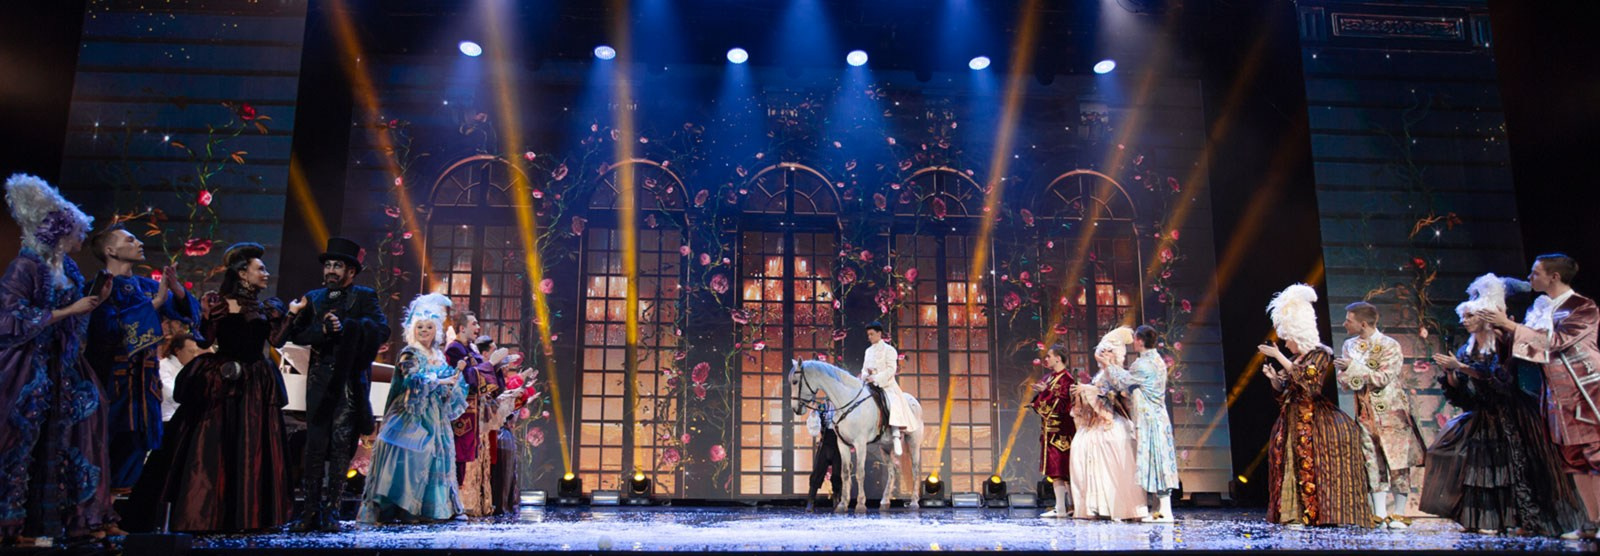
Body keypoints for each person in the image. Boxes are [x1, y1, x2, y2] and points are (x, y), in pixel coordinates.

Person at [129, 243, 293, 532]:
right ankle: (207, 513)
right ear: (242, 273)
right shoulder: (219, 304)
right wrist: (205, 315)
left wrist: (291, 314)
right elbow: (204, 340)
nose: (266, 273)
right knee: (216, 443)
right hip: (225, 379)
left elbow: (277, 340)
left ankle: (248, 516)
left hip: (256, 381)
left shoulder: (267, 307)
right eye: (260, 269)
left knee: (252, 445)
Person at [0, 174, 119, 544]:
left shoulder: (68, 269)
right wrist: (68, 311)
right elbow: (8, 319)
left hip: (62, 365)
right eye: (78, 232)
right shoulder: (25, 267)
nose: (82, 239)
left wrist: (92, 303)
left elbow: (75, 324)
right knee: (18, 441)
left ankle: (62, 523)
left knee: (78, 429)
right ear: (61, 232)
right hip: (27, 365)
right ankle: (9, 528)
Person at [1422, 273, 1586, 537]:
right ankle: (1496, 519)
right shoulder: (1467, 349)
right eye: (1463, 317)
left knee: (1526, 468)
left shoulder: (1503, 342)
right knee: (1487, 469)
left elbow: (1501, 379)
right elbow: (1465, 393)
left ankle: (1542, 522)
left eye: (1470, 316)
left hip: (1514, 413)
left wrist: (1462, 367)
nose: (1464, 321)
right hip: (1485, 416)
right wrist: (1452, 374)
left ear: (1484, 317)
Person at [1482, 253, 1600, 525]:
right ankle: (1592, 521)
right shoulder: (1541, 307)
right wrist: (1505, 334)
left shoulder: (1582, 307)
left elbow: (1557, 341)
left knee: (1595, 454)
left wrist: (1511, 325)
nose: (1529, 278)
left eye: (1535, 273)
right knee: (1573, 459)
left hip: (1584, 389)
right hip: (1556, 393)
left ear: (1554, 276)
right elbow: (1530, 349)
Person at [284, 237, 390, 532]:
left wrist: (347, 330)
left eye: (337, 266)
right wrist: (323, 330)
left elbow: (381, 330)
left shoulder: (364, 296)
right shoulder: (314, 297)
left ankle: (331, 511)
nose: (331, 270)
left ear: (351, 271)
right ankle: (309, 511)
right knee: (315, 445)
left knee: (342, 445)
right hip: (319, 379)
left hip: (349, 381)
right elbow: (297, 334)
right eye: (328, 265)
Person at [83, 224, 198, 493]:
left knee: (136, 446)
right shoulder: (97, 288)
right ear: (110, 250)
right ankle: (96, 508)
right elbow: (107, 331)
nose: (139, 243)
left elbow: (186, 314)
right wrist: (154, 305)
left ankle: (116, 508)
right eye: (130, 240)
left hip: (144, 385)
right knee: (103, 447)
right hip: (111, 380)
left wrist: (177, 289)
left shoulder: (146, 286)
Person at [1260, 284, 1375, 527]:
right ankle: (1293, 513)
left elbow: (1308, 382)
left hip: (1314, 421)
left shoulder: (1320, 354)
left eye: (1288, 339)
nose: (1286, 345)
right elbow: (1286, 389)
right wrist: (1273, 379)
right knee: (1289, 465)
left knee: (1314, 466)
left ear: (1298, 335)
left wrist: (1278, 356)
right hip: (1292, 420)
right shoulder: (1296, 358)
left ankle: (1316, 514)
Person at [359, 293, 466, 524]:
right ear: (412, 329)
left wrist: (453, 383)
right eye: (420, 327)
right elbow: (412, 378)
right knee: (409, 458)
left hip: (434, 415)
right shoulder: (410, 352)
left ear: (436, 330)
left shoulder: (438, 355)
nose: (424, 331)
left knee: (436, 457)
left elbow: (448, 382)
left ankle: (428, 509)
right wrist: (439, 381)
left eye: (429, 327)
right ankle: (403, 507)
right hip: (411, 412)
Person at [1334, 301, 1426, 528]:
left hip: (1392, 412)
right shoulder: (1349, 346)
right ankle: (1380, 513)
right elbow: (1344, 381)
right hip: (1365, 412)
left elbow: (1383, 377)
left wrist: (1354, 369)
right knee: (1372, 461)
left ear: (1363, 324)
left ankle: (1400, 513)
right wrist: (1354, 374)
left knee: (1397, 461)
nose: (1344, 324)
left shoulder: (1390, 345)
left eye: (1349, 320)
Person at [1068, 327, 1148, 521]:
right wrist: (1082, 392)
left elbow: (1112, 394)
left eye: (1107, 351)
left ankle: (1115, 506)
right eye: (1102, 351)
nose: (1103, 355)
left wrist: (1087, 389)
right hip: (1095, 424)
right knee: (1081, 450)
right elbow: (1098, 392)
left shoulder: (1117, 373)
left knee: (1110, 459)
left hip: (1111, 422)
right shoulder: (1101, 374)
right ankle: (1094, 506)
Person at [1128, 325, 1180, 523]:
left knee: (1157, 461)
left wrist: (1108, 365)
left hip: (1151, 419)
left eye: (1135, 339)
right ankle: (1158, 510)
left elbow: (1123, 380)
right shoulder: (1157, 360)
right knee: (1157, 460)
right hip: (1157, 417)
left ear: (1141, 341)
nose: (1134, 342)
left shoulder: (1142, 365)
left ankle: (1165, 511)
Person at [1029, 343, 1077, 518]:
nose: (1046, 359)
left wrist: (1046, 391)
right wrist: (1040, 396)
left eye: (1049, 356)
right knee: (1055, 471)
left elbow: (1064, 404)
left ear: (1058, 358)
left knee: (1063, 471)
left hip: (1061, 431)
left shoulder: (1067, 379)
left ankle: (1069, 507)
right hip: (1050, 430)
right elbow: (1043, 401)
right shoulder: (1050, 377)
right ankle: (1062, 507)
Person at [859, 321, 918, 456]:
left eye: (872, 334)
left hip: (886, 385)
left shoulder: (889, 350)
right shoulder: (868, 351)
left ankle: (896, 434)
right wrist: (866, 375)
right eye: (868, 335)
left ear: (879, 333)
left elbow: (891, 370)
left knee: (892, 402)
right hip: (870, 385)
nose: (869, 337)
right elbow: (864, 369)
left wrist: (876, 378)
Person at [157, 331, 206, 423]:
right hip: (167, 419)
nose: (195, 356)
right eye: (191, 352)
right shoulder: (163, 366)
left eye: (196, 352)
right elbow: (170, 393)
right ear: (177, 351)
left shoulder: (190, 369)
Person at [804, 398, 844, 511]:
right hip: (825, 442)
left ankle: (836, 499)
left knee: (837, 474)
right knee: (817, 472)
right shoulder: (823, 407)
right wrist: (814, 412)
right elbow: (814, 430)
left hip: (838, 444)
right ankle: (811, 501)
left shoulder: (842, 406)